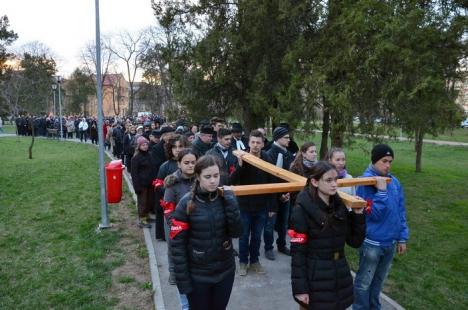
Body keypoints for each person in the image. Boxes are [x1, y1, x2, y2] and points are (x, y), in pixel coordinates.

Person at [290, 161, 366, 310]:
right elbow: (297, 253)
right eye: (329, 180)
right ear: (315, 181)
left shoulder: (340, 207)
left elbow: (355, 241)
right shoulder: (301, 210)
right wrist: (300, 289)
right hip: (315, 279)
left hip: (339, 275)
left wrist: (358, 216)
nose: (334, 184)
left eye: (336, 180)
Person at [170, 155, 242, 310]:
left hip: (225, 272)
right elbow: (177, 247)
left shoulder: (226, 198)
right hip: (198, 276)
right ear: (198, 177)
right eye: (207, 177)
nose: (213, 181)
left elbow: (236, 232)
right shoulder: (186, 203)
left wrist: (232, 203)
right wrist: (183, 282)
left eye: (216, 176)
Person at [353, 144, 409, 310]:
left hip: (389, 243)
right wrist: (381, 192)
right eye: (384, 161)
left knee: (378, 281)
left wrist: (402, 237)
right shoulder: (365, 182)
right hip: (372, 243)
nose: (388, 165)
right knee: (364, 283)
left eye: (390, 161)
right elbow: (373, 214)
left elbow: (400, 211)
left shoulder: (394, 182)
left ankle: (374, 307)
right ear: (375, 160)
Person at [230, 130, 277, 276]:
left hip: (261, 206)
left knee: (257, 236)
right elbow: (232, 181)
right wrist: (240, 165)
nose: (255, 145)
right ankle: (243, 262)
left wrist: (272, 206)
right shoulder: (240, 156)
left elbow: (273, 182)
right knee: (243, 236)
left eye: (258, 142)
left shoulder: (268, 158)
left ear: (263, 144)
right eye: (253, 142)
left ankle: (255, 261)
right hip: (244, 205)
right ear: (248, 143)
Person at [161, 149, 198, 309]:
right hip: (181, 235)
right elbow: (169, 213)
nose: (190, 166)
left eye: (193, 162)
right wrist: (181, 229)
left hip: (199, 235)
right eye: (186, 163)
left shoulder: (202, 179)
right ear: (179, 164)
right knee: (183, 273)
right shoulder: (173, 184)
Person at [264, 126, 295, 260]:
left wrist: (287, 192)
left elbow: (289, 175)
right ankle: (268, 248)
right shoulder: (270, 154)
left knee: (283, 223)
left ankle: (282, 245)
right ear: (278, 138)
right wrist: (278, 195)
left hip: (285, 194)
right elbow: (270, 179)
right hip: (272, 196)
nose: (289, 140)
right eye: (286, 138)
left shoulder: (287, 153)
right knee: (270, 223)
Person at [131, 136, 157, 228]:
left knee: (149, 201)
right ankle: (142, 219)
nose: (145, 146)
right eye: (143, 145)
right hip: (142, 185)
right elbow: (134, 174)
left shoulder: (150, 155)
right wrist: (136, 187)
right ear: (139, 146)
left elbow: (153, 168)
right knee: (143, 202)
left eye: (146, 144)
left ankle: (147, 216)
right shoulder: (136, 158)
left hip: (150, 183)